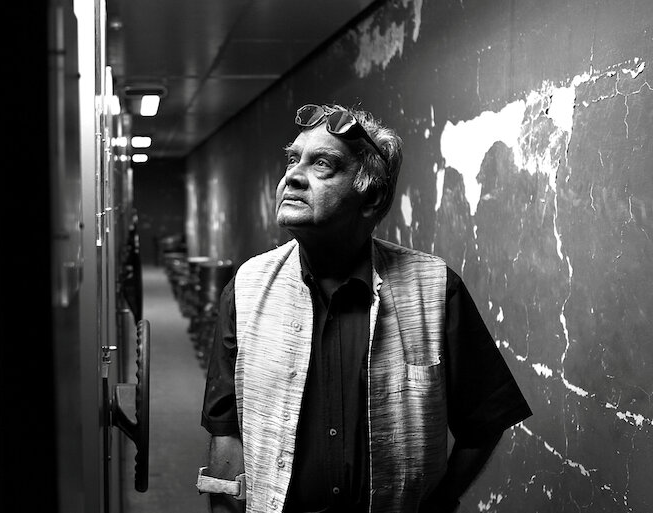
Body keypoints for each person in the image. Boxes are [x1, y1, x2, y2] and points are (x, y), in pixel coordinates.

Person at [197, 103, 532, 513]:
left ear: (372, 197)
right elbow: (226, 432)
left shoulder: (434, 288)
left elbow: (484, 420)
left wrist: (440, 502)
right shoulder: (247, 288)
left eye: (322, 164)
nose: (293, 176)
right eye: (292, 159)